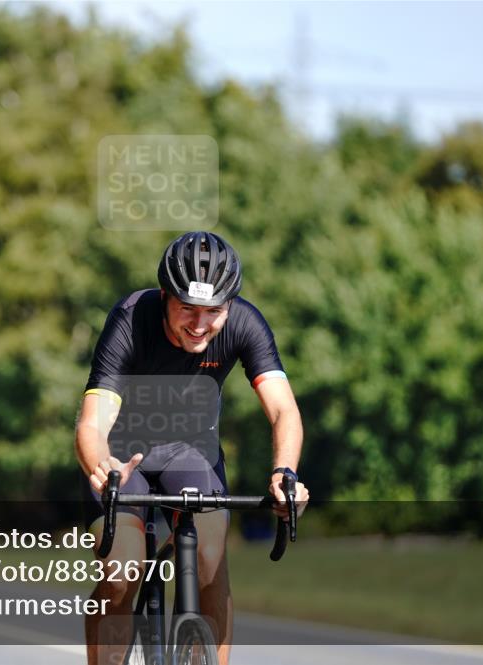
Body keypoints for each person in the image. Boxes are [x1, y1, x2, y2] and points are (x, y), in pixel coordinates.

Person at [75, 231, 310, 665]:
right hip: (123, 455)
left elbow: (283, 410)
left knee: (211, 559)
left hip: (192, 452)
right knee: (122, 571)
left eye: (214, 311)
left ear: (229, 306)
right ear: (165, 296)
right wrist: (101, 466)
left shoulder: (245, 323)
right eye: (187, 308)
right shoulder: (130, 319)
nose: (200, 325)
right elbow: (92, 423)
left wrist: (285, 473)